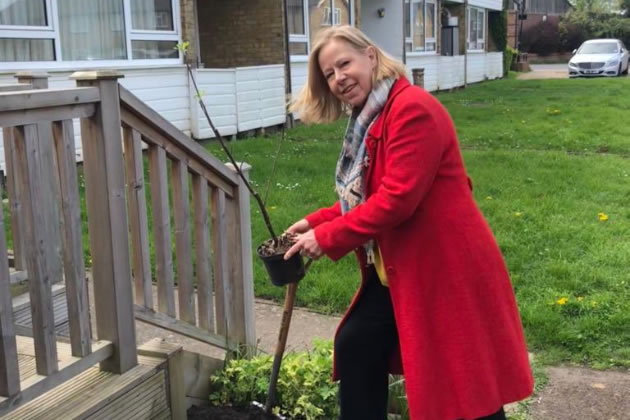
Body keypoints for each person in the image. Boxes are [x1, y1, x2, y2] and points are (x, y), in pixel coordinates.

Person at [283, 25, 533, 420]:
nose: (338, 78)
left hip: (445, 268)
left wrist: (326, 237)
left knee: (465, 386)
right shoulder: (372, 118)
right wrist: (312, 222)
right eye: (329, 74)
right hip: (402, 269)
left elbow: (397, 201)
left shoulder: (411, 109)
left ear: (370, 55)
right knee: (357, 345)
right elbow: (367, 195)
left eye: (343, 64)